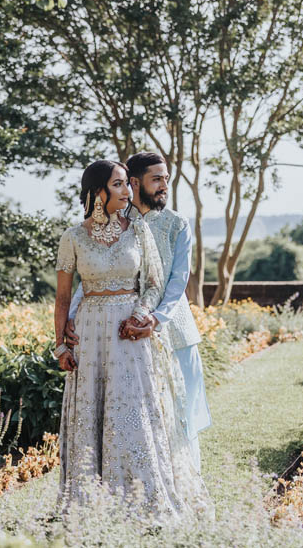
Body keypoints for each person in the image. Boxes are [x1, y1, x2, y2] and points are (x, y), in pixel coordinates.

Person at [53, 159, 208, 519]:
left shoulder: (144, 229)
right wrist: (62, 339)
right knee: (94, 412)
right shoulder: (73, 236)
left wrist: (144, 315)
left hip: (135, 331)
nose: (128, 191)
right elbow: (69, 294)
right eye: (120, 185)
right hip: (91, 336)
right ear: (98, 191)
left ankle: (142, 496)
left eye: (127, 184)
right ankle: (92, 501)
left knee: (146, 414)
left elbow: (161, 282)